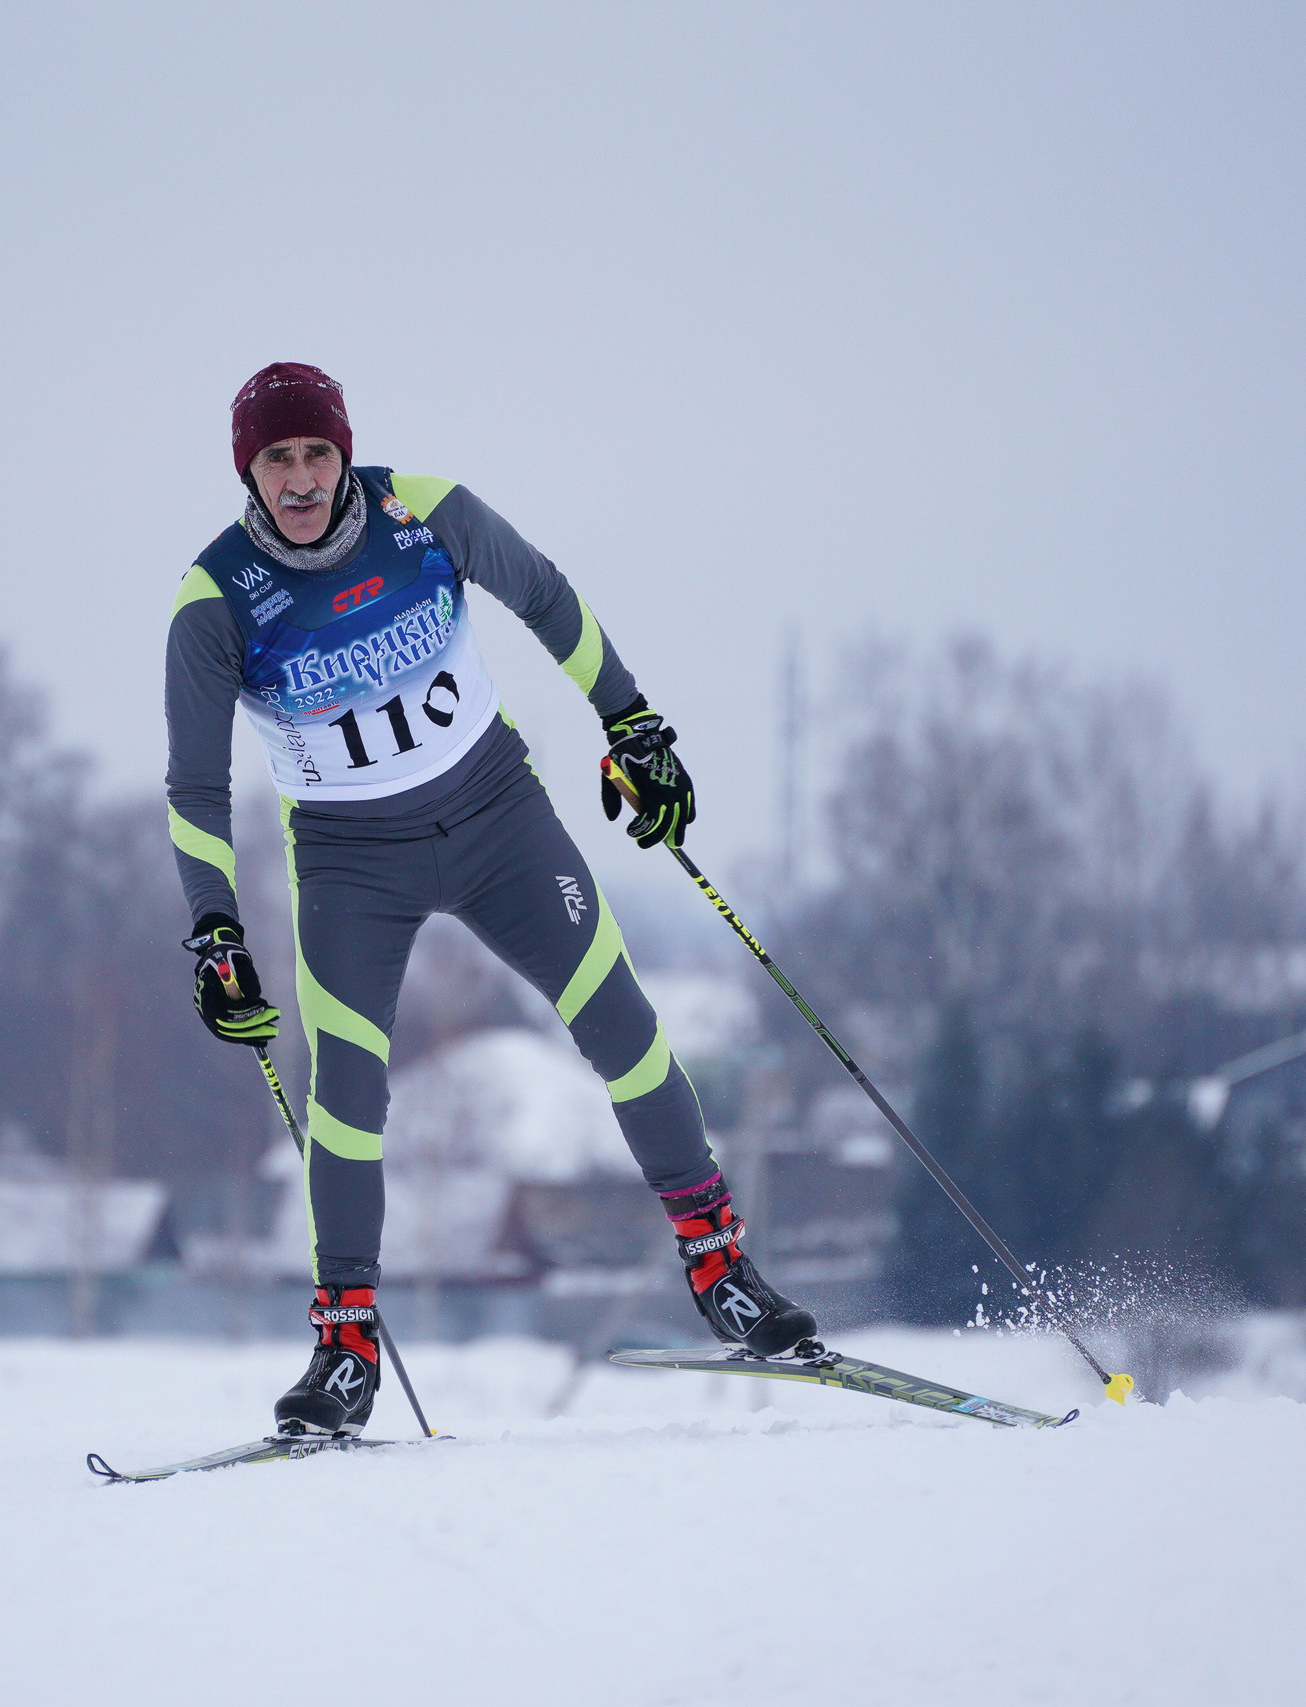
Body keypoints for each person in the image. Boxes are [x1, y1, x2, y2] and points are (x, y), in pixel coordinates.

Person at [167, 362, 818, 1438]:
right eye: (275, 459)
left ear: (343, 453)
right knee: (347, 1099)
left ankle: (718, 1266)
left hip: (495, 820)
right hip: (346, 863)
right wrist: (212, 928)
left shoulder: (425, 512)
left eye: (315, 454)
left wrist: (633, 725)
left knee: (623, 1028)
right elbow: (194, 784)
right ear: (248, 469)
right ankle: (344, 1348)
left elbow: (547, 599)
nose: (297, 478)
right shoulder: (213, 600)